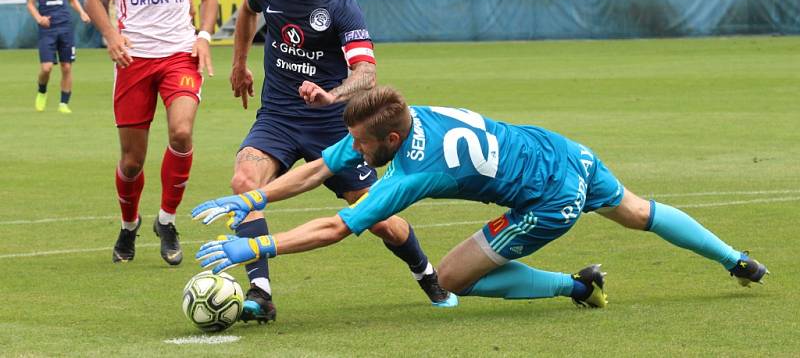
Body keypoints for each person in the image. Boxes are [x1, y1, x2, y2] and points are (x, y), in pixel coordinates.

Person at [194, 86, 769, 310]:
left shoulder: (412, 172)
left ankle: (578, 286)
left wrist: (257, 248)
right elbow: (320, 168)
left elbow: (339, 227)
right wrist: (251, 201)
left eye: (365, 147)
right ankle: (735, 260)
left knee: (451, 277)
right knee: (640, 213)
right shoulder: (400, 117)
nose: (357, 153)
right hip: (563, 149)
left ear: (390, 141)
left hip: (548, 200)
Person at [225, 0, 455, 324]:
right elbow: (247, 10)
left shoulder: (342, 6)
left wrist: (330, 95)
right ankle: (260, 292)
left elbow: (367, 73)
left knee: (380, 219)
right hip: (277, 117)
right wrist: (240, 64)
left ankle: (426, 272)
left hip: (331, 127)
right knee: (245, 184)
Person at [84, 0, 219, 267]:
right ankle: (129, 225)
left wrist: (204, 36)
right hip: (133, 59)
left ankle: (167, 220)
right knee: (132, 162)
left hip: (180, 54)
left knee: (181, 132)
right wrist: (111, 35)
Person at [26, 0, 91, 114]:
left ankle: (63, 103)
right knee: (46, 68)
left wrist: (82, 13)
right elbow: (30, 3)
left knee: (66, 67)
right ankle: (42, 91)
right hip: (47, 29)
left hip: (65, 27)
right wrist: (39, 18)